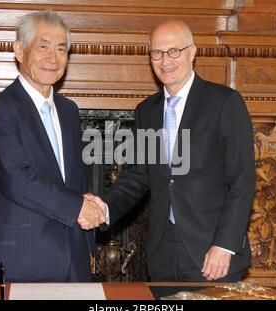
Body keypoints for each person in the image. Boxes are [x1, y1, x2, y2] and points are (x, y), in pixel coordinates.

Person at [85, 19, 255, 282]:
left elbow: (242, 181)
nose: (166, 61)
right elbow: (137, 177)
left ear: (192, 52)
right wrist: (104, 208)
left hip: (213, 252)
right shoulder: (146, 111)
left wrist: (225, 245)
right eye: (157, 53)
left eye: (174, 51)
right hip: (161, 252)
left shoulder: (225, 103)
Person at [0, 10, 105, 283]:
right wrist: (79, 208)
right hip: (20, 260)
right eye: (42, 47)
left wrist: (87, 242)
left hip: (73, 261)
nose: (52, 58)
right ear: (19, 50)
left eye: (61, 49)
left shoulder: (69, 111)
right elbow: (16, 179)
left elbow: (71, 180)